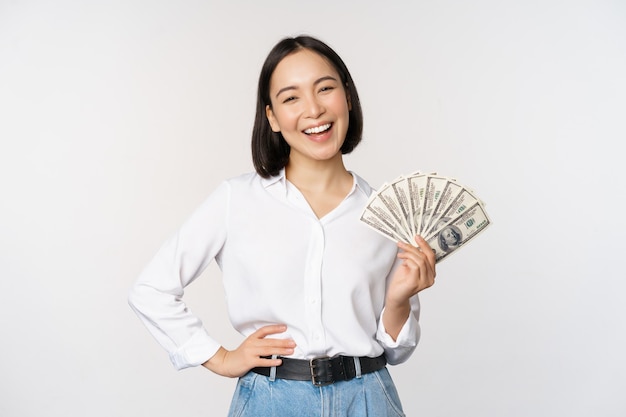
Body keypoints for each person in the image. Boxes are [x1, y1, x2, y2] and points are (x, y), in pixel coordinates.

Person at [128, 35, 437, 417]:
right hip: (271, 402)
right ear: (272, 116)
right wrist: (220, 358)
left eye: (325, 89)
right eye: (292, 98)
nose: (314, 109)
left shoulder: (387, 214)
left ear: (348, 97)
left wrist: (398, 300)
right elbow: (151, 289)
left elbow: (397, 351)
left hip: (369, 399)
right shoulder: (235, 200)